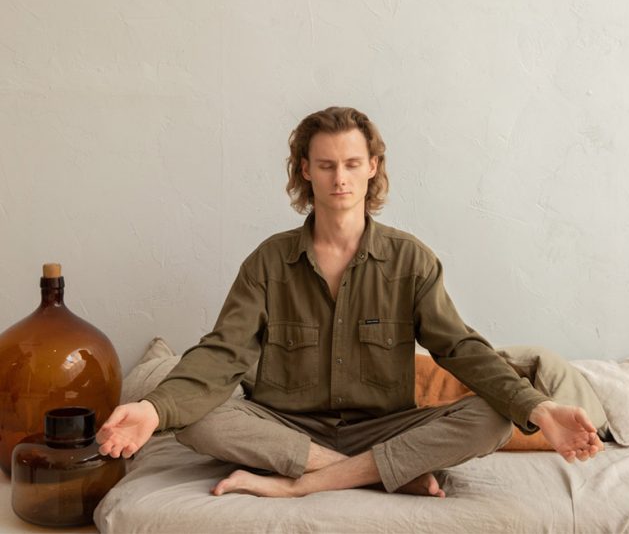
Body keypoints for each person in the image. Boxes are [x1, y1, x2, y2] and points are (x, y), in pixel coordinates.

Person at [97, 106, 603, 498]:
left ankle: (304, 483)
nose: (339, 178)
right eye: (326, 165)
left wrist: (540, 408)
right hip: (286, 429)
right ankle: (369, 474)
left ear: (372, 168)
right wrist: (152, 408)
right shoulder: (268, 262)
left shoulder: (411, 260)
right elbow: (222, 353)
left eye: (352, 164)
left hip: (384, 429)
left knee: (493, 418)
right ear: (305, 170)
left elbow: (461, 348)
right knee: (193, 418)